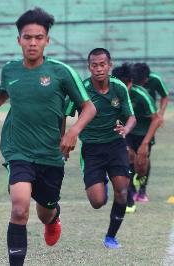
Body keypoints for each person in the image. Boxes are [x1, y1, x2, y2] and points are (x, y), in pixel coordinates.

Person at [0, 7, 96, 265]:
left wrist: (73, 131)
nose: (33, 42)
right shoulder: (11, 70)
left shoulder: (61, 72)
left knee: (45, 211)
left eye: (39, 37)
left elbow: (89, 107)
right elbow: (2, 94)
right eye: (28, 37)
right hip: (19, 151)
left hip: (50, 155)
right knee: (19, 207)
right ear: (19, 40)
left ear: (47, 40)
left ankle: (53, 218)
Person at [66, 48, 136, 249]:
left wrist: (126, 129)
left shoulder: (119, 87)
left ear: (109, 65)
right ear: (89, 67)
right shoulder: (82, 89)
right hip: (92, 149)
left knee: (122, 191)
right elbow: (65, 112)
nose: (99, 69)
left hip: (115, 145)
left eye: (102, 64)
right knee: (97, 202)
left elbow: (131, 116)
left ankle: (111, 237)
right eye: (94, 65)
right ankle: (101, 183)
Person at [111, 63, 160, 212]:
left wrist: (145, 143)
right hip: (127, 131)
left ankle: (141, 183)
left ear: (131, 83)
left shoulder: (141, 94)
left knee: (141, 164)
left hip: (144, 132)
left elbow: (157, 119)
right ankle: (131, 189)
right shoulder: (113, 94)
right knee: (127, 154)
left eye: (126, 85)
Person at [129, 63, 169, 202]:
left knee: (143, 158)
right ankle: (131, 189)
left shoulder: (155, 79)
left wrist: (161, 114)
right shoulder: (129, 83)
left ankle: (142, 190)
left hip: (147, 125)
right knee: (129, 156)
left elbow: (165, 96)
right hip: (130, 124)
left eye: (142, 83)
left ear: (147, 79)